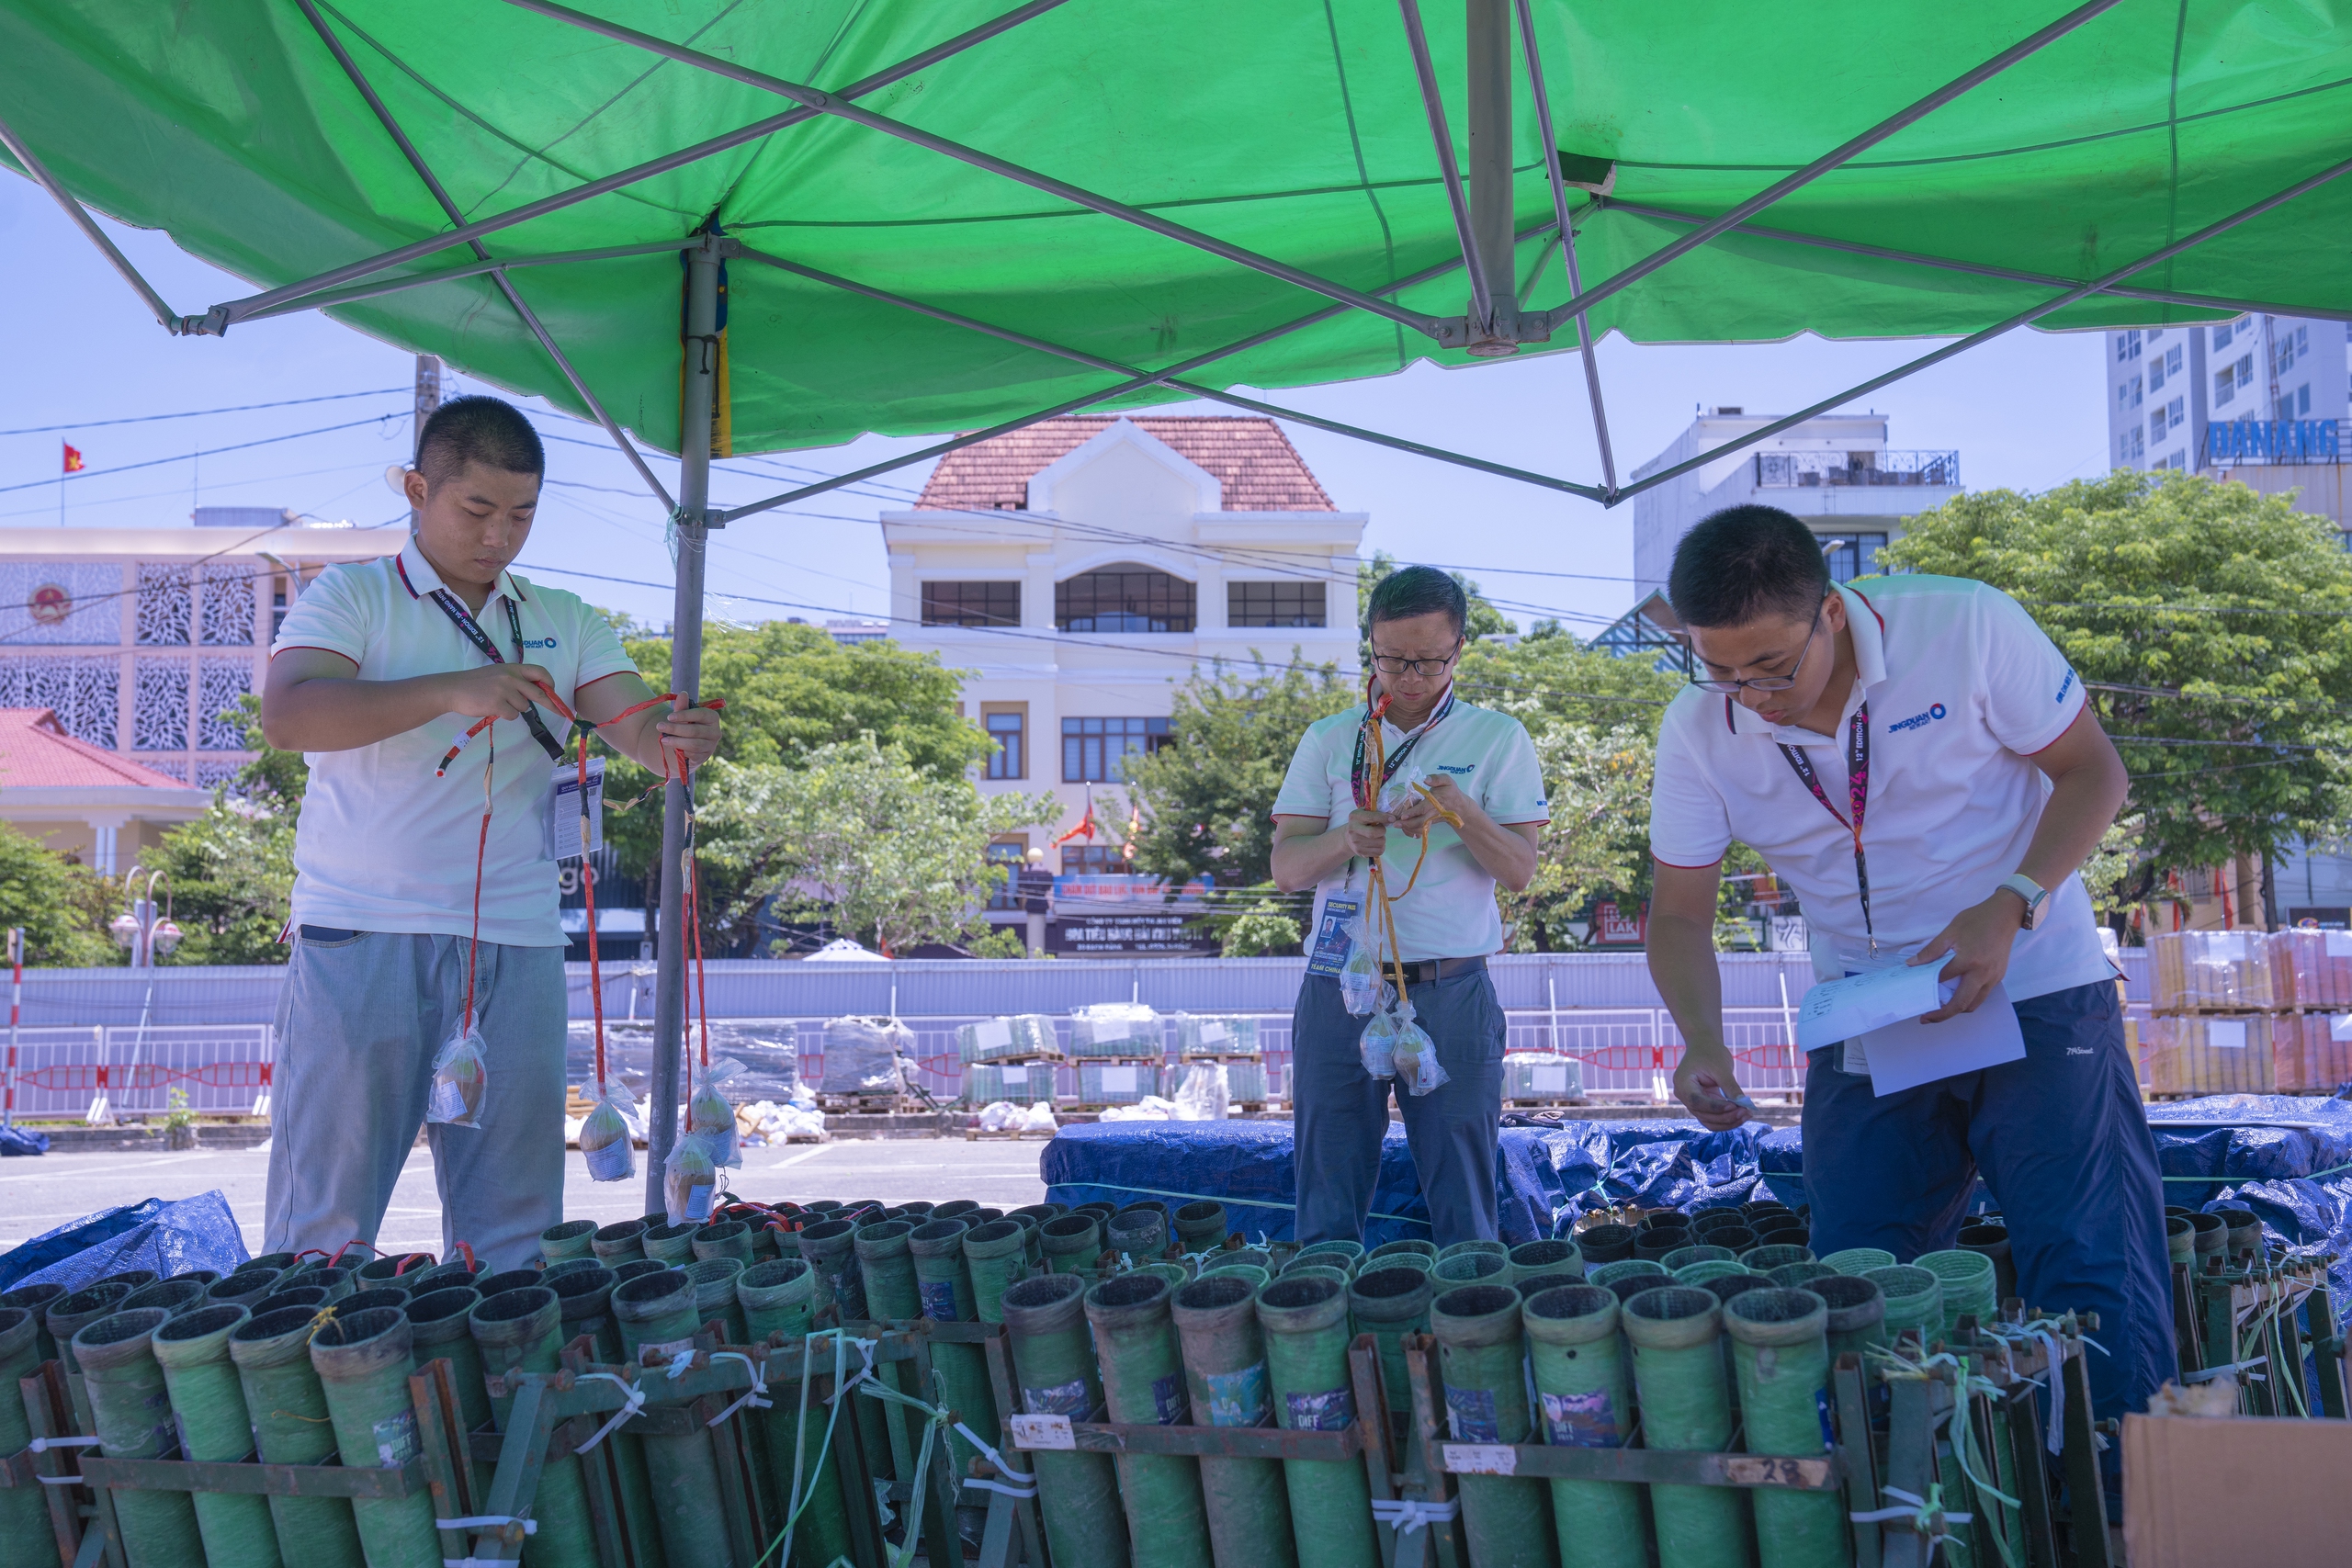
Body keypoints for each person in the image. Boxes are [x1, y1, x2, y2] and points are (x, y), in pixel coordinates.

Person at [1645, 503, 2172, 1429]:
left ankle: (2121, 1506)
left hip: (2034, 983)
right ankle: (1908, 1510)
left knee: (2088, 1258)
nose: (1751, 695)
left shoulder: (1964, 625)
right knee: (1858, 1273)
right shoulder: (1696, 729)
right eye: (1719, 670)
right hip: (1868, 1009)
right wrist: (1699, 1040)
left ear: (1832, 614)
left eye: (1770, 665)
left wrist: (2009, 902)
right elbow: (1679, 915)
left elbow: (2095, 772)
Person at [259, 395, 721, 1269]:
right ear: (415, 488)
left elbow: (641, 733)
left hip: (515, 938)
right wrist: (450, 688)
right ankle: (321, 1399)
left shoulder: (563, 616)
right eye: (476, 509)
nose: (499, 535)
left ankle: (498, 1394)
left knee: (514, 1228)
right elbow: (289, 716)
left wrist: (681, 739)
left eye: (522, 514)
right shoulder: (352, 594)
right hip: (362, 927)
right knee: (325, 1222)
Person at [1272, 565, 1549, 1247]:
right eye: (1391, 658)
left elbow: (1518, 870)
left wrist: (1459, 810)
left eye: (1428, 659)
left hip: (1452, 986)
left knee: (1465, 1200)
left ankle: (1471, 1333)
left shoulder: (1497, 738)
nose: (1409, 675)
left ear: (1460, 649)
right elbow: (1285, 868)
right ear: (1370, 646)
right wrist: (1346, 836)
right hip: (1341, 989)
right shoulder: (1330, 738)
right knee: (1327, 1196)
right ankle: (1327, 1334)